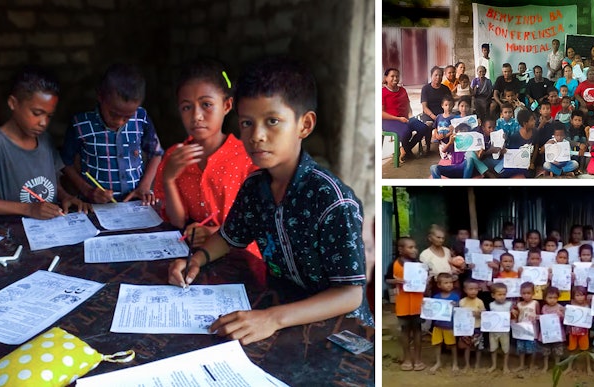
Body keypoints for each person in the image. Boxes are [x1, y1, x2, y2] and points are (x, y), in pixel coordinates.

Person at [168, 58, 371, 345]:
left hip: (339, 331)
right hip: (280, 309)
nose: (257, 136)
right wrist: (196, 259)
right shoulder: (255, 187)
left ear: (305, 124)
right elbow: (228, 237)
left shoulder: (332, 201)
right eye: (247, 123)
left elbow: (350, 294)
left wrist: (273, 318)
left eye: (272, 121)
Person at [152, 59, 259, 255]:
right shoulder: (175, 157)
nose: (196, 116)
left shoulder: (247, 159)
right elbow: (178, 221)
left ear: (227, 105)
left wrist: (213, 232)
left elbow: (256, 221)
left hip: (240, 257)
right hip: (194, 254)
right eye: (186, 107)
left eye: (206, 104)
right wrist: (169, 179)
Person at [0, 66, 89, 219]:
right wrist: (29, 209)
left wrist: (65, 196)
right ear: (13, 103)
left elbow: (51, 180)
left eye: (49, 116)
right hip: (13, 231)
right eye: (37, 113)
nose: (43, 122)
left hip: (50, 228)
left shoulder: (45, 139)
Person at [62, 63, 163, 204]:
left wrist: (144, 186)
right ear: (100, 97)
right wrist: (87, 191)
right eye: (113, 114)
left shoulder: (141, 117)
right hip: (95, 205)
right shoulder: (81, 124)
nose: (120, 122)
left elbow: (156, 154)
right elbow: (65, 163)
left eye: (127, 117)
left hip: (135, 202)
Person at [386, 237, 424, 371]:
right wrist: (397, 281)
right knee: (405, 330)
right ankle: (407, 358)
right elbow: (387, 279)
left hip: (417, 303)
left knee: (418, 330)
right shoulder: (394, 264)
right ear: (401, 250)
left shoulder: (420, 264)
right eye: (410, 247)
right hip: (402, 303)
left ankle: (418, 359)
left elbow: (425, 281)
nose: (414, 250)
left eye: (415, 247)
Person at [382, 68, 426, 162]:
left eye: (397, 76)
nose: (395, 78)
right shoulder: (382, 92)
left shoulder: (402, 90)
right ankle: (408, 153)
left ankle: (405, 149)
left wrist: (410, 115)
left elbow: (407, 105)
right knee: (406, 131)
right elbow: (381, 113)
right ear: (386, 78)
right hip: (389, 121)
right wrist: (398, 118)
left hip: (405, 118)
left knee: (423, 128)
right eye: (392, 76)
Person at [427, 272, 462, 374]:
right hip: (437, 325)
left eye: (450, 282)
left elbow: (459, 310)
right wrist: (426, 305)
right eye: (446, 283)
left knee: (452, 345)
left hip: (449, 326)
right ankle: (438, 362)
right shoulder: (435, 297)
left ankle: (455, 363)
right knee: (437, 344)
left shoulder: (455, 297)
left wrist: (456, 305)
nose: (449, 285)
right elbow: (431, 309)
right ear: (439, 285)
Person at [420, 66, 453, 151]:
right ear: (431, 76)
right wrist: (434, 116)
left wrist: (444, 115)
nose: (438, 77)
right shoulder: (426, 89)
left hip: (443, 114)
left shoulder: (445, 89)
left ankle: (448, 144)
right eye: (436, 75)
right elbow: (424, 107)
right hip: (429, 114)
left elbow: (450, 103)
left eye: (440, 75)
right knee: (428, 125)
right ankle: (428, 146)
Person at [496, 108, 535, 178]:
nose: (534, 122)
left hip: (528, 165)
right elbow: (512, 153)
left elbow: (536, 147)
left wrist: (532, 162)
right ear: (525, 123)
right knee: (503, 175)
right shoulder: (515, 137)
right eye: (532, 120)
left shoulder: (535, 132)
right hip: (517, 163)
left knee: (530, 175)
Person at [458, 280, 485, 372]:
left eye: (476, 289)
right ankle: (467, 365)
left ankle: (477, 365)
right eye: (471, 289)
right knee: (467, 347)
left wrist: (480, 314)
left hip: (477, 327)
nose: (473, 291)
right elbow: (459, 315)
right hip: (466, 329)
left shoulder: (480, 302)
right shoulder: (462, 302)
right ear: (465, 290)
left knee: (478, 347)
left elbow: (485, 314)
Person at [566, 286, 594, 375]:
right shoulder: (570, 305)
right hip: (572, 331)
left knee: (585, 349)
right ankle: (569, 367)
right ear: (573, 296)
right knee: (572, 349)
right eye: (577, 295)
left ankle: (588, 368)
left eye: (582, 295)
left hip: (584, 332)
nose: (580, 297)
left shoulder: (587, 305)